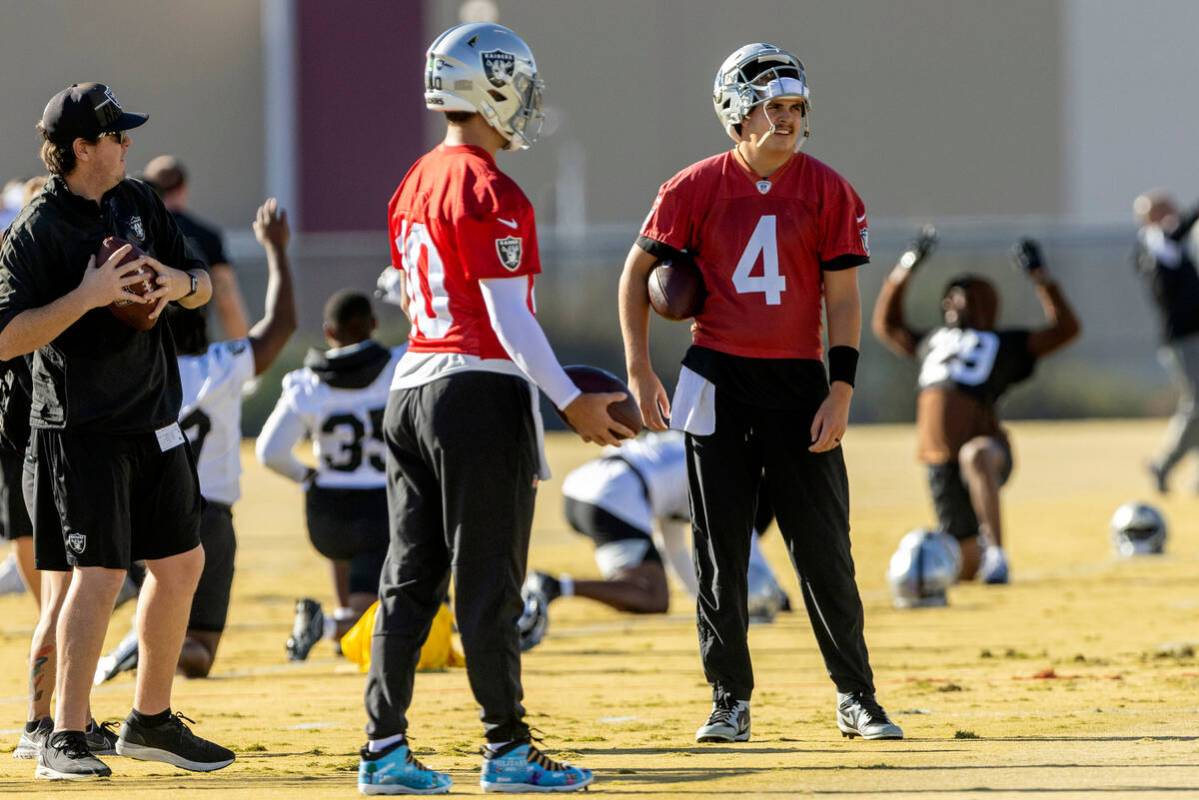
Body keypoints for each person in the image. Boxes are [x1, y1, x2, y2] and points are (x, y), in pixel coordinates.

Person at [357, 22, 629, 795]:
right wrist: (571, 401)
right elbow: (510, 321)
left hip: (409, 386)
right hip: (475, 391)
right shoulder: (489, 188)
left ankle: (383, 751)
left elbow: (417, 294)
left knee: (407, 579)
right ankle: (507, 751)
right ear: (493, 88)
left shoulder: (413, 179)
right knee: (487, 582)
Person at [619, 42, 902, 744]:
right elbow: (635, 277)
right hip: (715, 376)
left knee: (822, 547)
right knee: (720, 549)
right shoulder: (691, 187)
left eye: (795, 108)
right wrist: (639, 370)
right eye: (772, 108)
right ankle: (728, 698)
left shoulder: (827, 188)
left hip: (797, 378)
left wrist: (840, 390)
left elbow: (842, 298)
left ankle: (855, 695)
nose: (786, 120)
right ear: (735, 114)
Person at [0, 82, 232, 780]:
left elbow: (201, 281)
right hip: (82, 426)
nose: (128, 144)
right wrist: (89, 296)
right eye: (115, 137)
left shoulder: (137, 201)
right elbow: (7, 337)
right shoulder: (38, 228)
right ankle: (62, 735)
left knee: (182, 564)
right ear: (80, 149)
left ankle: (150, 720)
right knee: (94, 577)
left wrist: (171, 282)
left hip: (153, 416)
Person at [95, 198, 296, 683]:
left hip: (142, 515)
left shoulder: (134, 370)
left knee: (156, 602)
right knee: (200, 654)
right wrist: (277, 251)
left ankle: (138, 633)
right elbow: (281, 325)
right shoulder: (221, 364)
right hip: (209, 518)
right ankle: (169, 647)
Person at [872, 230, 1080, 582]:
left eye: (959, 297)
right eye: (948, 299)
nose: (949, 305)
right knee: (966, 571)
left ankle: (998, 553)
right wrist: (904, 269)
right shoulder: (932, 341)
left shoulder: (1004, 343)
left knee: (976, 454)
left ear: (983, 302)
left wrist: (1041, 278)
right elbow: (887, 325)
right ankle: (978, 553)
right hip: (938, 461)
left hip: (988, 449)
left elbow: (1065, 328)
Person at [256, 289, 401, 660]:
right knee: (375, 614)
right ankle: (329, 626)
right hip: (379, 504)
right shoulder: (398, 367)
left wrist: (307, 478)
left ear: (328, 332)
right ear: (373, 325)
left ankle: (340, 631)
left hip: (327, 509)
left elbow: (270, 452)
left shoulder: (307, 383)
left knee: (345, 557)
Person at [521, 431, 789, 628]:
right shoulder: (722, 475)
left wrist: (704, 602)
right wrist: (771, 589)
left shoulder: (691, 456)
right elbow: (744, 542)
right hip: (616, 492)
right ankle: (554, 585)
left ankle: (557, 586)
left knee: (641, 586)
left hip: (583, 489)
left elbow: (673, 547)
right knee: (653, 595)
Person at [1132, 191, 1199, 493]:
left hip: (1193, 333)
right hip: (1184, 338)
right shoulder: (1155, 243)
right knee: (1196, 404)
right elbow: (1182, 227)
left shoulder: (1163, 245)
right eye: (1166, 209)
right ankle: (1164, 464)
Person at [143, 155, 251, 339]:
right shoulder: (207, 237)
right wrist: (244, 357)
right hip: (193, 355)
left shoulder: (137, 233)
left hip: (149, 352)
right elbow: (228, 303)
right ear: (183, 189)